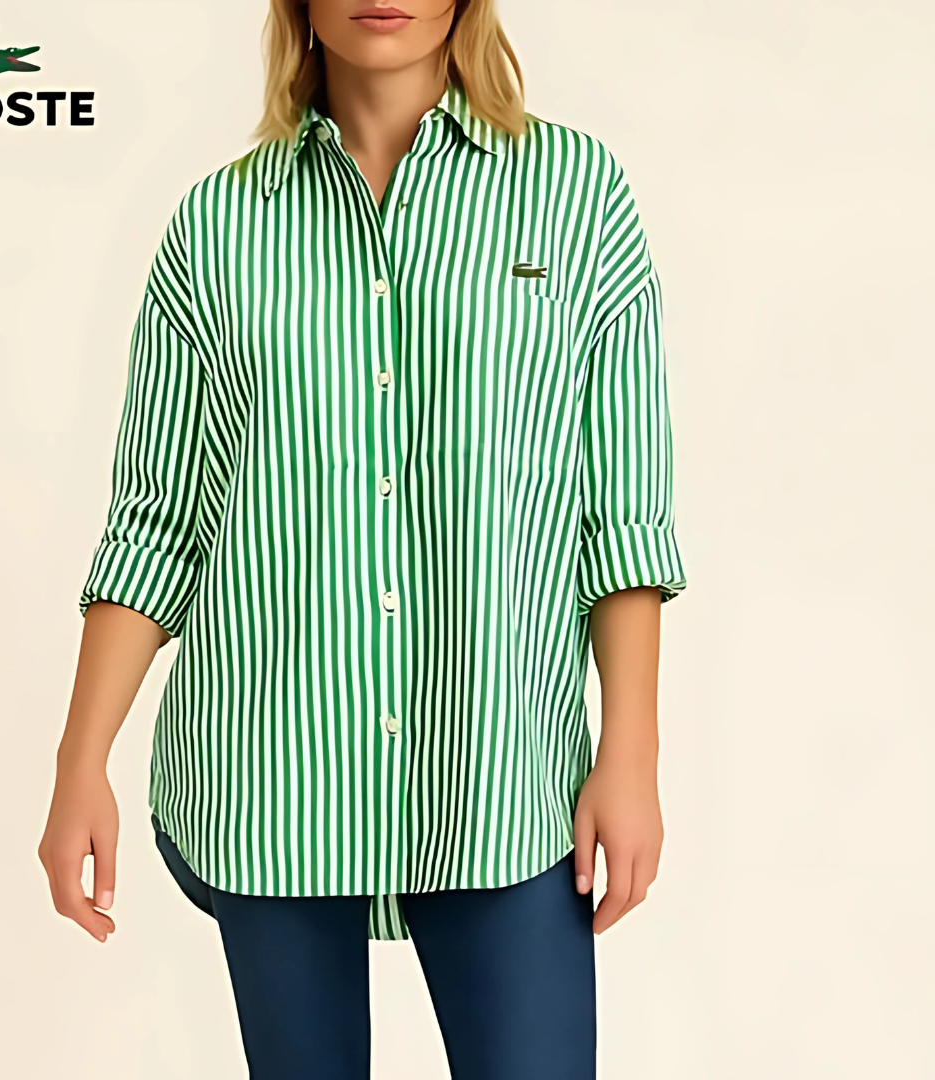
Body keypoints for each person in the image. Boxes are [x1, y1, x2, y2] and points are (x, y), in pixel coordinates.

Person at [38, 2, 687, 1077]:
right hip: (269, 773)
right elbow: (157, 519)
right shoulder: (219, 227)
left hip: (501, 772)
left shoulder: (574, 193)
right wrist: (80, 765)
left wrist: (631, 754)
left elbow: (621, 511)